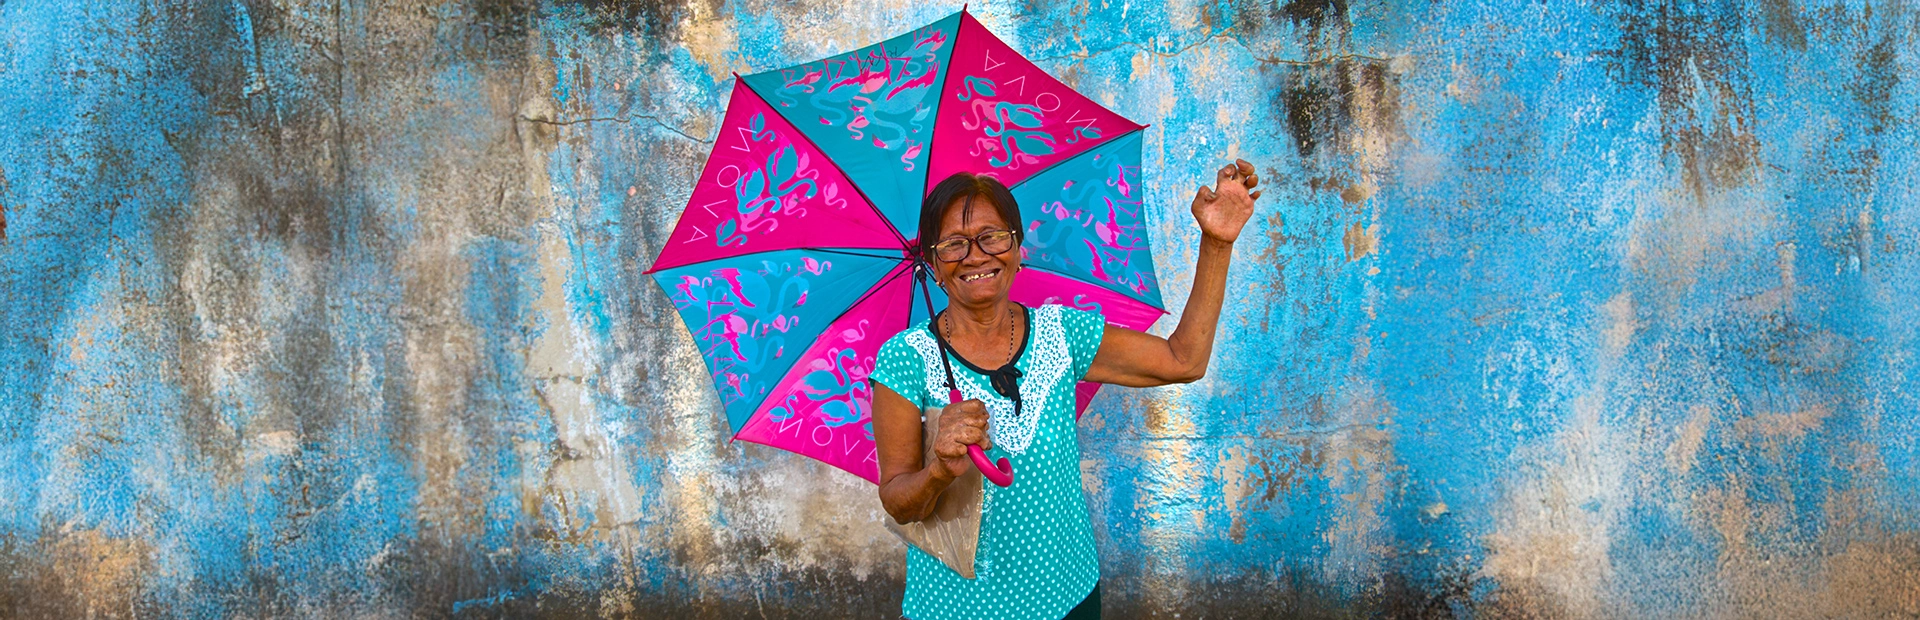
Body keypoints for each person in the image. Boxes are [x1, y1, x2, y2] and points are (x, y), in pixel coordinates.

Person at [867, 159, 1262, 620]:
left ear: (1018, 249)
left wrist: (1216, 243)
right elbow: (898, 501)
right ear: (934, 264)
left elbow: (1184, 359)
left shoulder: (1062, 334)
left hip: (1067, 596)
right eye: (954, 244)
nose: (975, 255)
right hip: (956, 607)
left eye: (992, 236)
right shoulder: (905, 359)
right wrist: (938, 469)